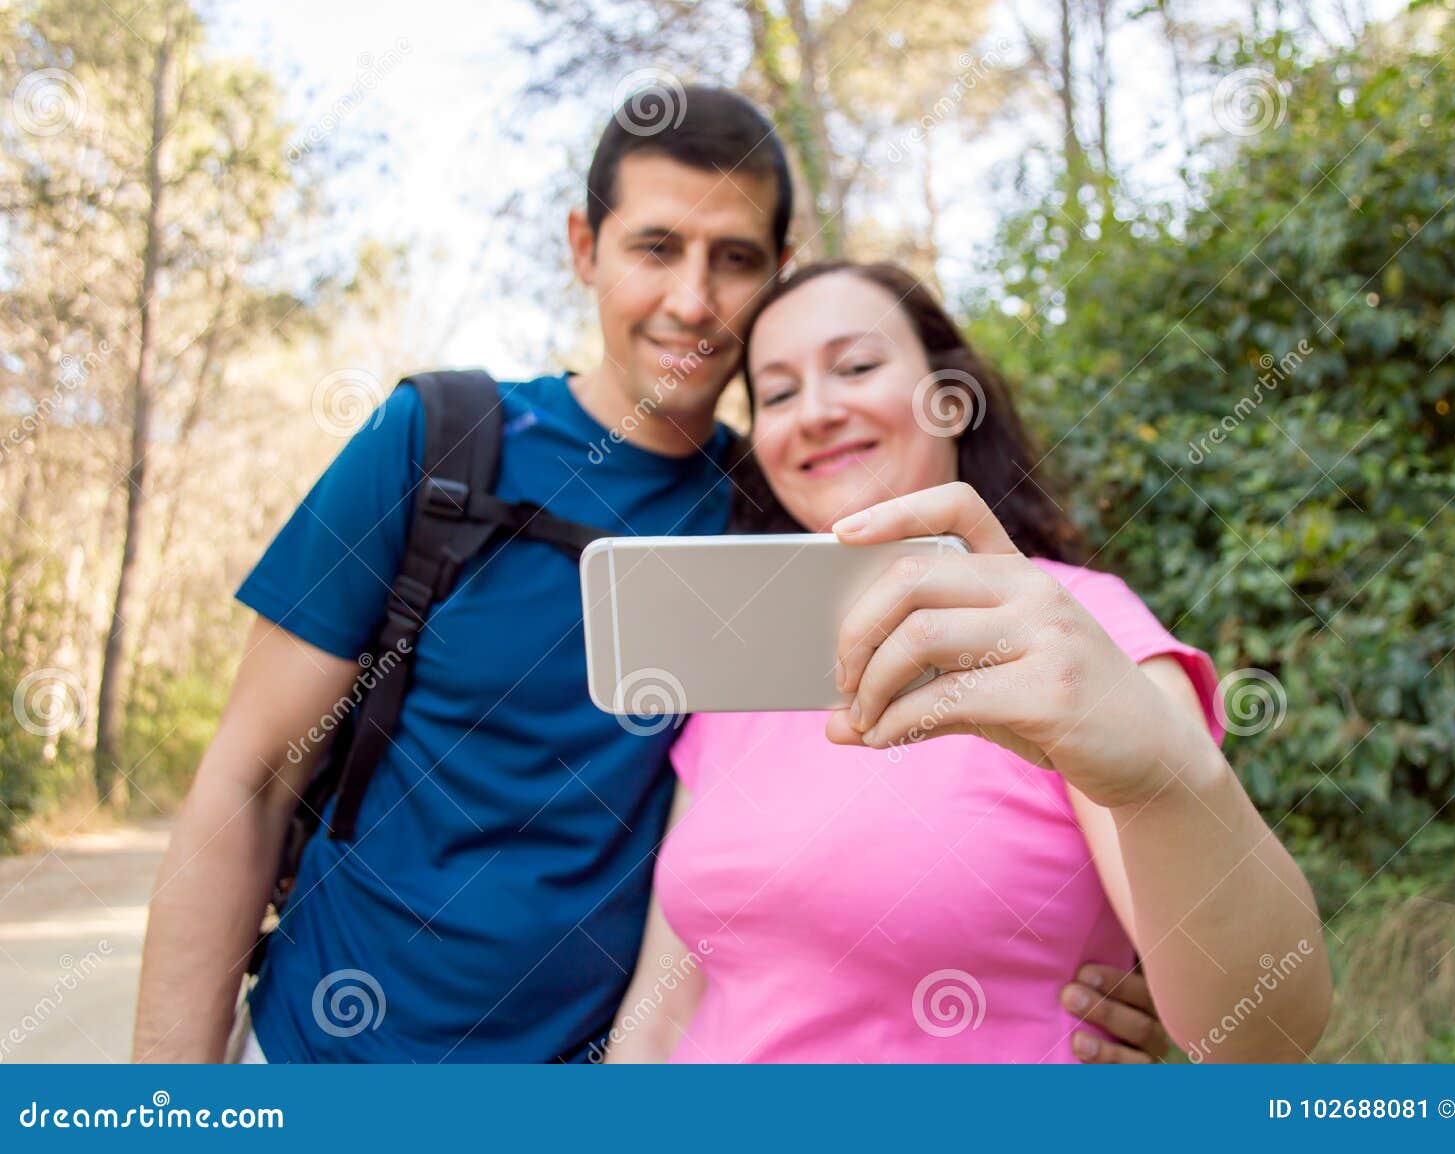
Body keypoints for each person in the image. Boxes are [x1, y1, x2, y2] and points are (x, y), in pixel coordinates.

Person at [132, 88, 1169, 1063]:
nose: (692, 298)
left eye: (733, 258)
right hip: (336, 1057)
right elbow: (250, 777)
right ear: (585, 249)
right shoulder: (441, 444)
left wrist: (1127, 969)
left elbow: (882, 810)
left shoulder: (785, 511)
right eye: (656, 248)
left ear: (778, 269)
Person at [603, 262, 1333, 1062]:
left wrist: (1171, 787)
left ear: (951, 401)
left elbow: (1264, 1040)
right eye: (777, 393)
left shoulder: (1072, 631)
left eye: (856, 366)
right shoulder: (732, 663)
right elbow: (664, 1007)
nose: (814, 412)